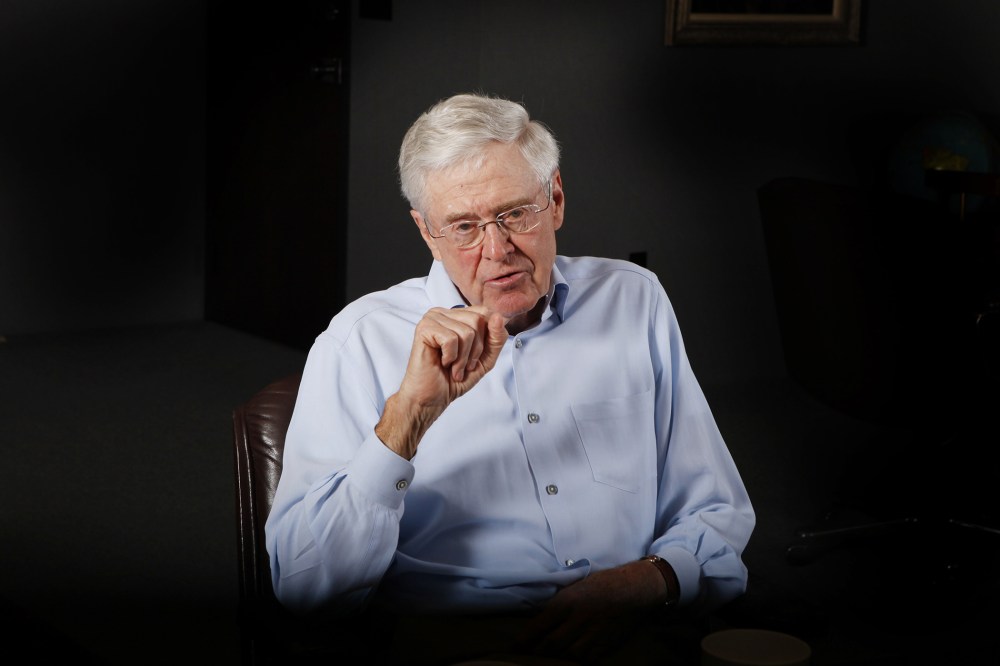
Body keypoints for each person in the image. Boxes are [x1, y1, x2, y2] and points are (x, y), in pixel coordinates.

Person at [265, 93, 755, 664]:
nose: (497, 251)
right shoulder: (359, 342)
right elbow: (306, 589)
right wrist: (408, 419)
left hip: (631, 621)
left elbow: (716, 508)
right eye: (465, 227)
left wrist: (652, 581)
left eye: (515, 214)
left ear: (556, 202)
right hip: (465, 641)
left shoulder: (633, 299)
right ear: (427, 233)